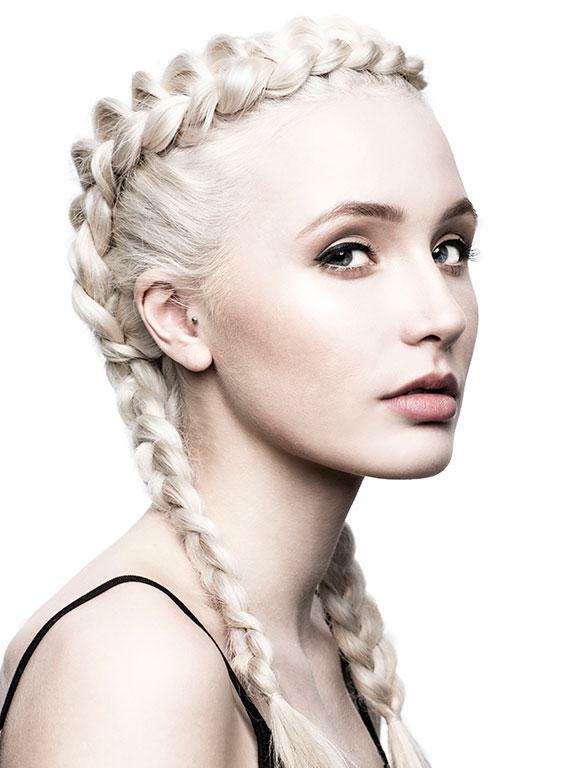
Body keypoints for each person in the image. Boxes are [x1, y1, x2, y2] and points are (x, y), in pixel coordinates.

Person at [0, 13, 479, 768]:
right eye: (346, 254)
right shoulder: (134, 667)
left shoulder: (313, 645)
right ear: (179, 318)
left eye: (449, 249)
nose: (442, 315)